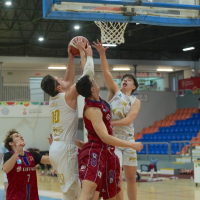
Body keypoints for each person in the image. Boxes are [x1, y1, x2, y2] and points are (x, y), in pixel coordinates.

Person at [41, 38, 94, 200]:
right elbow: (87, 77)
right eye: (60, 80)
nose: (63, 79)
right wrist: (88, 55)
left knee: (70, 190)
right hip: (64, 148)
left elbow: (69, 80)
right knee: (73, 192)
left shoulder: (56, 98)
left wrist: (71, 57)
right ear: (58, 87)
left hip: (57, 148)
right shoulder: (68, 96)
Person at [75, 75, 143, 200]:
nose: (95, 81)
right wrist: (131, 144)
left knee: (113, 189)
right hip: (97, 151)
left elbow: (87, 76)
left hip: (107, 152)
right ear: (92, 89)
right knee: (91, 194)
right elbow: (105, 137)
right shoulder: (93, 109)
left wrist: (93, 56)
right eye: (93, 82)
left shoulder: (100, 100)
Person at [93, 40, 141, 200]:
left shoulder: (136, 101)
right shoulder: (115, 91)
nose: (125, 80)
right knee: (117, 178)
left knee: (132, 178)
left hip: (128, 140)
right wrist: (102, 53)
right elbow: (106, 71)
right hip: (113, 142)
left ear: (134, 86)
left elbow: (128, 121)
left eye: (129, 80)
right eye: (124, 79)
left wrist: (107, 123)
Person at [3, 129, 51, 200]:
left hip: (33, 197)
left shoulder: (32, 155)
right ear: (11, 143)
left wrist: (53, 148)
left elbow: (51, 160)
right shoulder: (9, 155)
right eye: (17, 136)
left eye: (20, 135)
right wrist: (17, 152)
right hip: (15, 197)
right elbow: (5, 169)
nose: (21, 136)